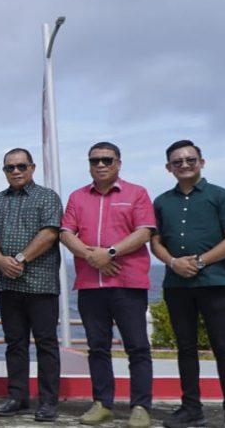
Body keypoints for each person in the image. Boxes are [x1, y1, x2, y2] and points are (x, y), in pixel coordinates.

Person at [150, 140, 225, 428]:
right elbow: (155, 241)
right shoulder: (161, 202)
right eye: (177, 162)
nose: (184, 165)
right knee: (185, 347)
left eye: (190, 159)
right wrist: (173, 262)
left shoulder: (223, 197)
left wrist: (200, 261)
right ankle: (191, 409)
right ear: (169, 167)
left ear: (201, 162)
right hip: (176, 285)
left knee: (223, 347)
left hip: (214, 283)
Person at [59, 142, 155, 428]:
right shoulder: (77, 196)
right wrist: (92, 256)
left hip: (128, 284)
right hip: (90, 285)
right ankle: (102, 403)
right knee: (97, 347)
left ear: (118, 163)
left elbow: (145, 231)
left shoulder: (137, 193)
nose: (100, 165)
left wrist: (109, 253)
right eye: (95, 160)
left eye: (106, 160)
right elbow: (66, 233)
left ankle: (140, 406)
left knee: (137, 347)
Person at [0, 148, 63, 422]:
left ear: (32, 167)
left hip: (40, 285)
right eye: (10, 167)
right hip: (8, 284)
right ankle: (17, 397)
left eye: (21, 166)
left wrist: (19, 258)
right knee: (14, 343)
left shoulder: (47, 197)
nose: (16, 171)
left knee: (46, 344)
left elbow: (50, 233)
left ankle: (48, 402)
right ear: (4, 171)